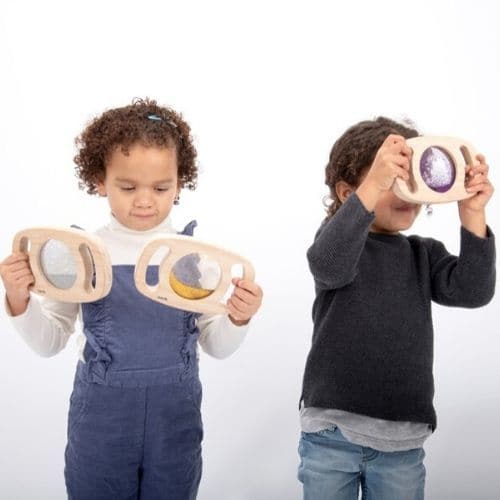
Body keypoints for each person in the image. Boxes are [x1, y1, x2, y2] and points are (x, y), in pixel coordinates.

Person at [1, 98, 263, 500]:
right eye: (127, 187)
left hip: (174, 420)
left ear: (180, 182)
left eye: (161, 188)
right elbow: (49, 341)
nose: (145, 200)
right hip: (102, 422)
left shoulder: (195, 258)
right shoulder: (79, 253)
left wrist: (238, 318)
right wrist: (19, 299)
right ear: (100, 180)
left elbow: (217, 344)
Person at [297, 117, 495, 500]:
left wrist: (472, 214)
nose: (404, 191)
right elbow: (329, 264)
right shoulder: (336, 244)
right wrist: (374, 186)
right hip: (330, 434)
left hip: (402, 443)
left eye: (411, 178)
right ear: (347, 192)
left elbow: (473, 291)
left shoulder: (423, 254)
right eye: (390, 180)